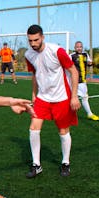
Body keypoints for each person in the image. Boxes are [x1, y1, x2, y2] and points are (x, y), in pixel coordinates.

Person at [24, 24, 80, 178]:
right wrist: (34, 94)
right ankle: (37, 164)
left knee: (63, 131)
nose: (33, 43)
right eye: (30, 41)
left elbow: (74, 71)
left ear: (42, 37)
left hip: (61, 97)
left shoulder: (57, 51)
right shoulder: (29, 54)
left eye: (36, 40)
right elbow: (35, 74)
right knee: (33, 128)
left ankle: (65, 162)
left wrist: (74, 96)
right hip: (43, 97)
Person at [71, 41, 99, 121]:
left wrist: (93, 64)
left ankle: (88, 114)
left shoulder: (85, 55)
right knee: (83, 97)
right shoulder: (71, 56)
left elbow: (89, 63)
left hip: (83, 80)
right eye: (77, 47)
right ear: (74, 48)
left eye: (80, 46)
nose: (79, 48)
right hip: (75, 80)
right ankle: (89, 114)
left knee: (83, 97)